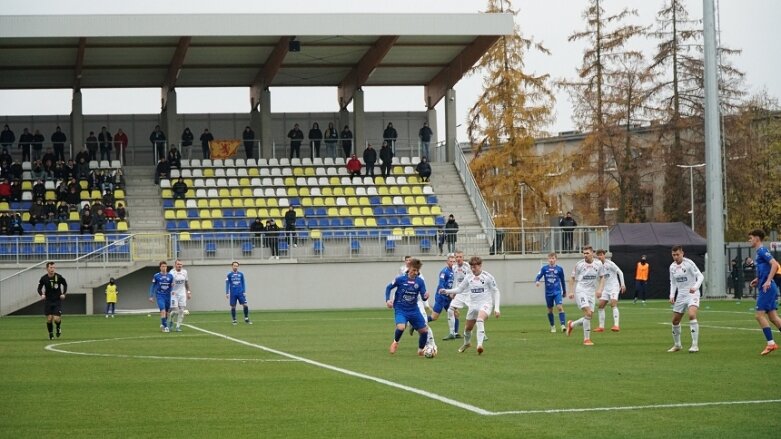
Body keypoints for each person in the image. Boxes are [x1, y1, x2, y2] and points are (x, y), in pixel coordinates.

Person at [440, 256, 501, 355]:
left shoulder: (488, 277)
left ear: (480, 266)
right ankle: (467, 343)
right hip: (473, 305)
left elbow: (496, 291)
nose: (473, 269)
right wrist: (446, 291)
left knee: (480, 320)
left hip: (486, 304)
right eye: (471, 267)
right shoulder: (469, 277)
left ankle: (479, 345)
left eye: (475, 267)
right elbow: (459, 289)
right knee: (468, 329)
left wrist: (497, 308)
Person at [385, 258, 430, 355]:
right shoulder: (400, 279)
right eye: (414, 270)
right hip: (401, 308)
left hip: (414, 309)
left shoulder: (420, 281)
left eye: (417, 271)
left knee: (424, 330)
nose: (415, 272)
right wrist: (387, 300)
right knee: (401, 327)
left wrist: (426, 296)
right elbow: (388, 287)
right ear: (409, 268)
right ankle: (395, 342)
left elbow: (423, 297)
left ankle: (421, 350)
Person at [747, 229, 781, 355]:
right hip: (767, 286)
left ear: (756, 238)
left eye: (750, 238)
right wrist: (758, 279)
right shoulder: (759, 252)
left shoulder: (762, 250)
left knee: (759, 315)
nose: (749, 240)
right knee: (773, 317)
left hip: (767, 288)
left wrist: (767, 281)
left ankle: (771, 343)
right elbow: (766, 268)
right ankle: (771, 343)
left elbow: (774, 265)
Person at [667, 245, 704, 353]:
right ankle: (677, 345)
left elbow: (700, 276)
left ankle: (695, 345)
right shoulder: (672, 267)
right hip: (681, 295)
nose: (675, 257)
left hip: (692, 294)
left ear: (682, 253)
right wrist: (671, 295)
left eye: (677, 254)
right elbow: (673, 282)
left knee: (692, 315)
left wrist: (695, 287)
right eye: (673, 255)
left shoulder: (689, 263)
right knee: (675, 321)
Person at [566, 246, 604, 346]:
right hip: (581, 290)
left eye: (587, 253)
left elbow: (602, 277)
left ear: (592, 253)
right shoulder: (579, 264)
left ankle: (572, 324)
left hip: (591, 292)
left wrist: (600, 289)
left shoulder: (598, 264)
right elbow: (572, 278)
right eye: (584, 253)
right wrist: (570, 291)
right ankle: (586, 339)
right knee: (588, 312)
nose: (585, 255)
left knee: (589, 315)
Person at [535, 252, 567, 333]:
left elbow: (562, 281)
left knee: (559, 307)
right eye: (550, 258)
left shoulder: (559, 269)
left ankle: (563, 325)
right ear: (548, 259)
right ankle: (552, 326)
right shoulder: (544, 269)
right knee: (550, 310)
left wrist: (564, 291)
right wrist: (537, 281)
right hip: (548, 292)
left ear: (556, 259)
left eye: (553, 258)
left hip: (557, 291)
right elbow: (538, 276)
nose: (551, 260)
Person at [594, 249, 625, 332]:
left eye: (601, 255)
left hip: (614, 287)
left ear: (604, 255)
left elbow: (620, 272)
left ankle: (616, 325)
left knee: (613, 304)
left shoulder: (610, 264)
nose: (600, 257)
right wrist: (600, 289)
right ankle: (601, 327)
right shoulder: (598, 266)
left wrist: (622, 284)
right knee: (600, 306)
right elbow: (599, 278)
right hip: (605, 288)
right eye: (598, 255)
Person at [37, 261, 68, 340]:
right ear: (47, 268)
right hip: (48, 301)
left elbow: (65, 284)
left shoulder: (59, 277)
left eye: (54, 267)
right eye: (51, 267)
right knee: (49, 319)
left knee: (56, 319)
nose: (52, 269)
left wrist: (63, 294)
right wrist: (42, 294)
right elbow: (39, 288)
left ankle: (58, 327)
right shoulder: (43, 278)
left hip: (57, 300)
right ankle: (51, 334)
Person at [430, 253, 457, 339]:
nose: (452, 263)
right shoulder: (444, 272)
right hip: (441, 296)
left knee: (455, 313)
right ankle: (415, 323)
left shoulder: (454, 271)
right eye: (451, 261)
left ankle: (454, 333)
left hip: (448, 297)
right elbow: (441, 285)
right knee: (434, 317)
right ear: (447, 262)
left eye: (454, 261)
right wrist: (449, 294)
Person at [148, 260, 174, 333]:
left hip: (168, 296)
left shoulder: (170, 276)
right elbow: (153, 286)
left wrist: (172, 286)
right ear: (160, 267)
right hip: (160, 295)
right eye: (163, 266)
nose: (164, 268)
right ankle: (166, 327)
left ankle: (163, 323)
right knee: (162, 311)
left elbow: (171, 286)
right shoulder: (156, 276)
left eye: (165, 266)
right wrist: (151, 296)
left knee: (167, 312)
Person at [168, 259, 192, 332]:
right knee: (175, 310)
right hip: (173, 293)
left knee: (181, 310)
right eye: (178, 264)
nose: (179, 266)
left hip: (182, 293)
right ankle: (171, 320)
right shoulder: (171, 272)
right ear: (175, 265)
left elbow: (186, 283)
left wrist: (188, 292)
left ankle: (178, 327)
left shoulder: (184, 272)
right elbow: (168, 283)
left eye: (181, 264)